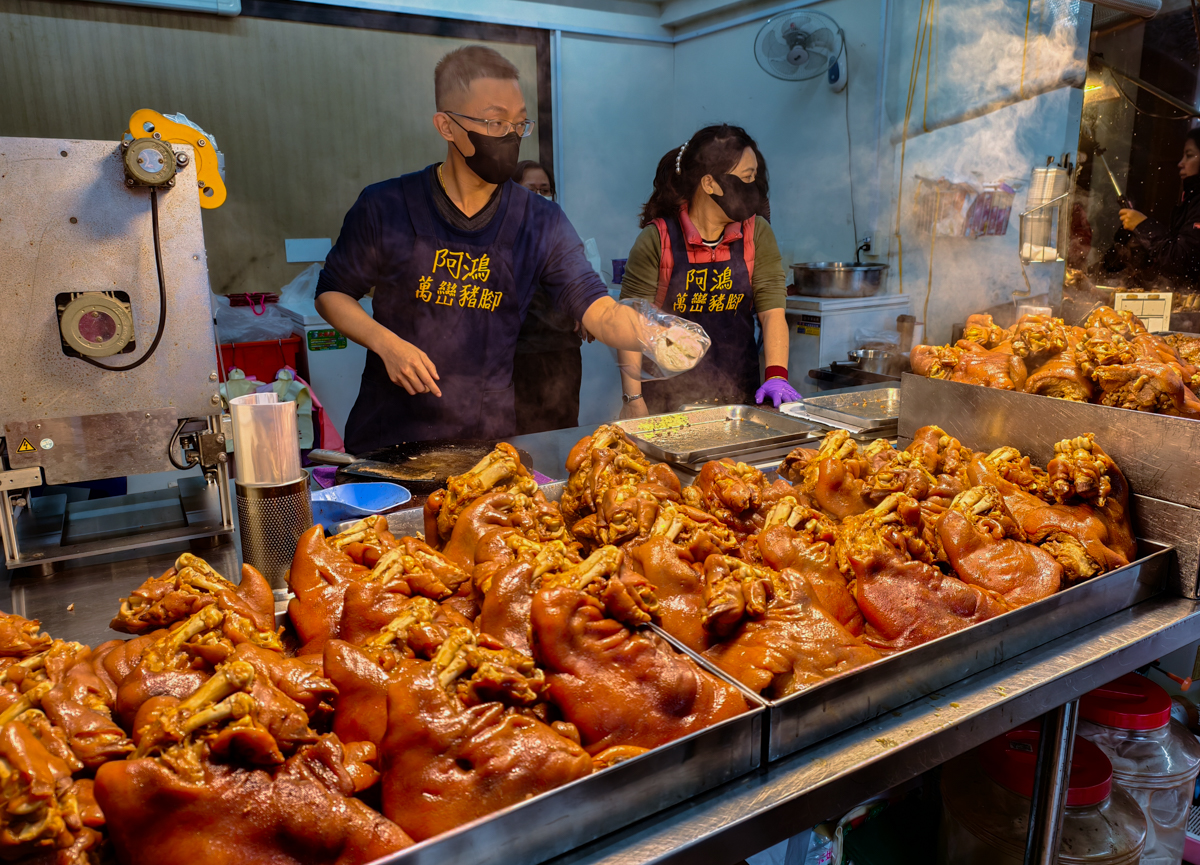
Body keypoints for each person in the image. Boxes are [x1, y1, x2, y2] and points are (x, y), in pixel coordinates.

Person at [314, 46, 700, 453]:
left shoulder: (541, 220)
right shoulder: (386, 205)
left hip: (484, 438)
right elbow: (332, 293)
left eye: (519, 123)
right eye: (495, 122)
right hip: (389, 433)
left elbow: (596, 307)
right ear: (446, 126)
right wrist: (387, 344)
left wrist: (653, 332)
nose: (511, 135)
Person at [616, 125, 798, 418]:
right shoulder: (658, 239)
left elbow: (772, 311)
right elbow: (630, 322)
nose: (754, 188)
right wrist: (632, 397)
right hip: (666, 402)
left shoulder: (756, 233)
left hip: (739, 396)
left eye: (755, 178)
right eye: (747, 178)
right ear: (710, 183)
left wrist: (777, 375)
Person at [510, 161, 584, 434]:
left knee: (564, 425)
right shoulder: (500, 235)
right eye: (532, 190)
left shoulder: (558, 228)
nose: (540, 197)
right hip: (521, 352)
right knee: (522, 429)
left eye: (546, 190)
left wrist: (584, 309)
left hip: (562, 349)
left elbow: (577, 276)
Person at [1118, 129, 1200, 292]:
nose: (1181, 163)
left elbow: (1180, 259)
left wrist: (1143, 226)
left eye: (1189, 155)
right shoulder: (1190, 200)